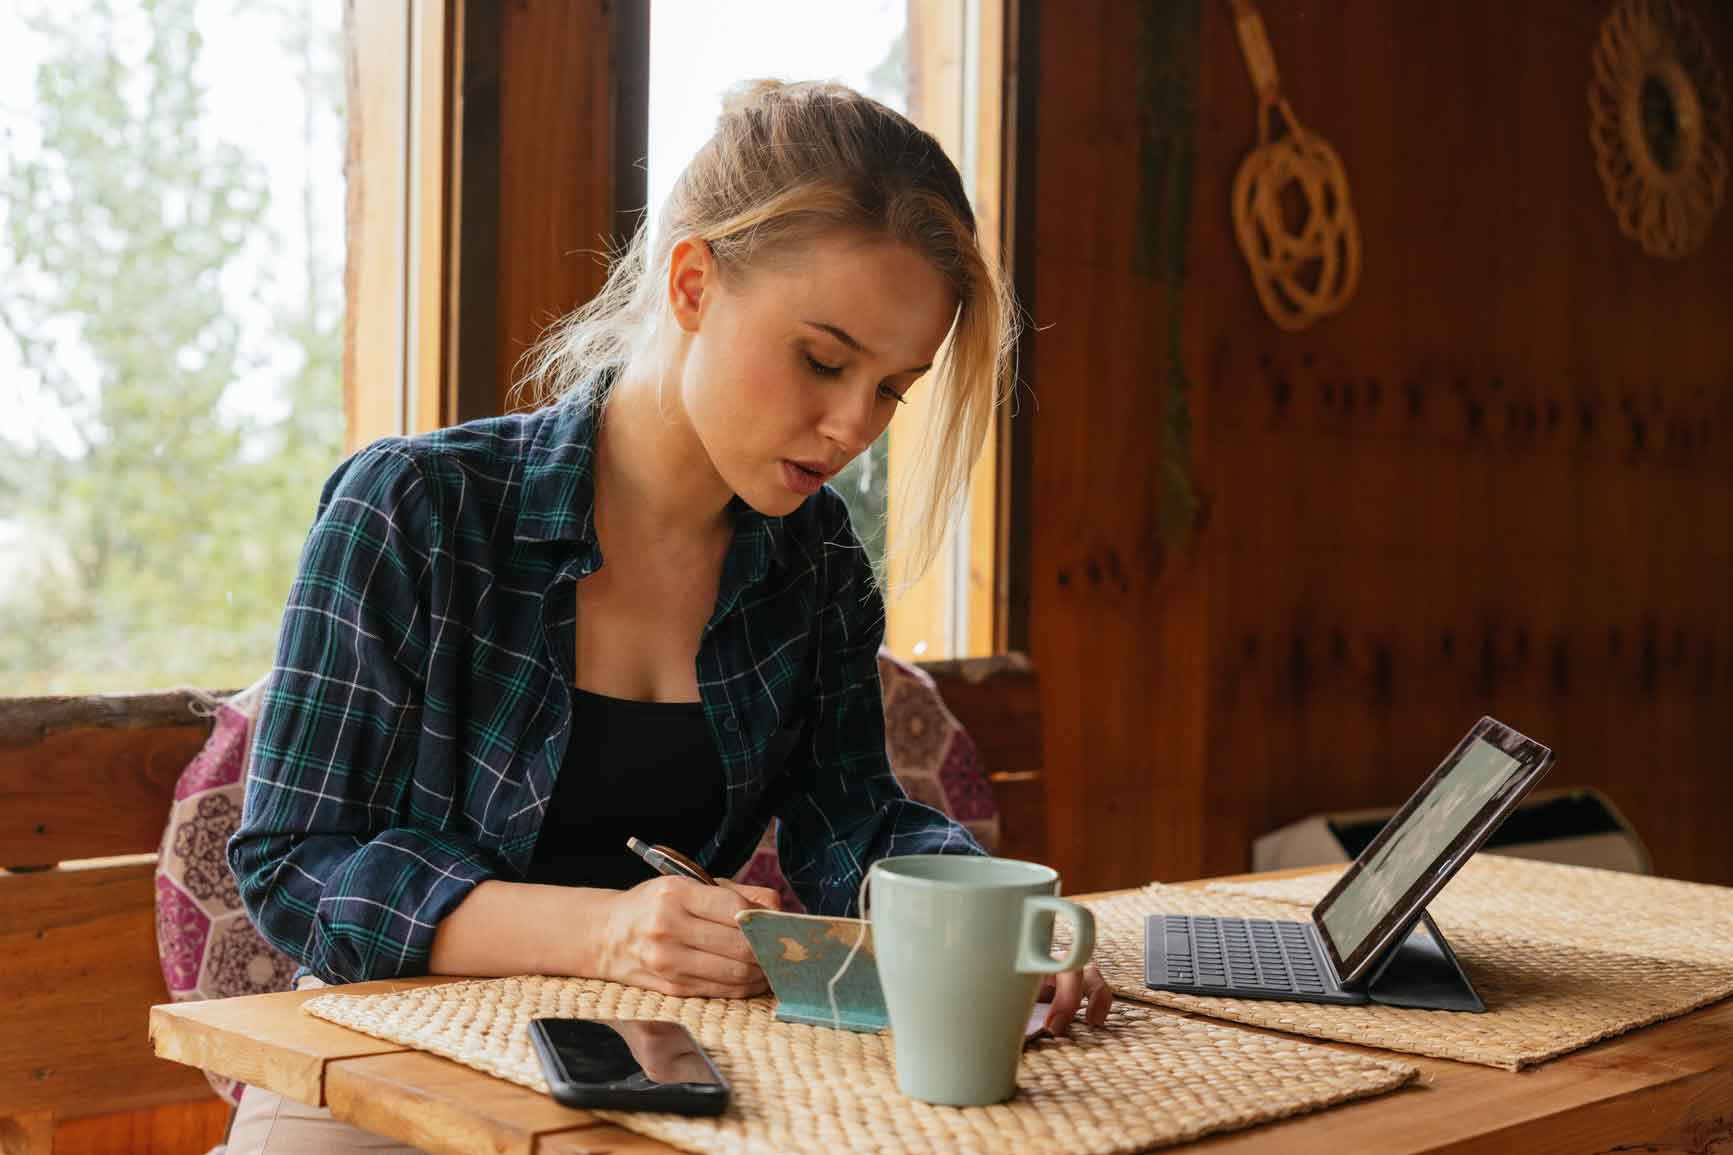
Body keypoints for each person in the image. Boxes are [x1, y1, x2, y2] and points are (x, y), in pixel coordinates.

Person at [225, 79, 1111, 1152]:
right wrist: (603, 933)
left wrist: (991, 916)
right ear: (692, 282)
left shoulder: (814, 557)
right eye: (822, 360)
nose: (848, 427)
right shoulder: (416, 507)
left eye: (891, 389)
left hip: (671, 1070)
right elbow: (294, 863)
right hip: (379, 1063)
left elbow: (851, 830)